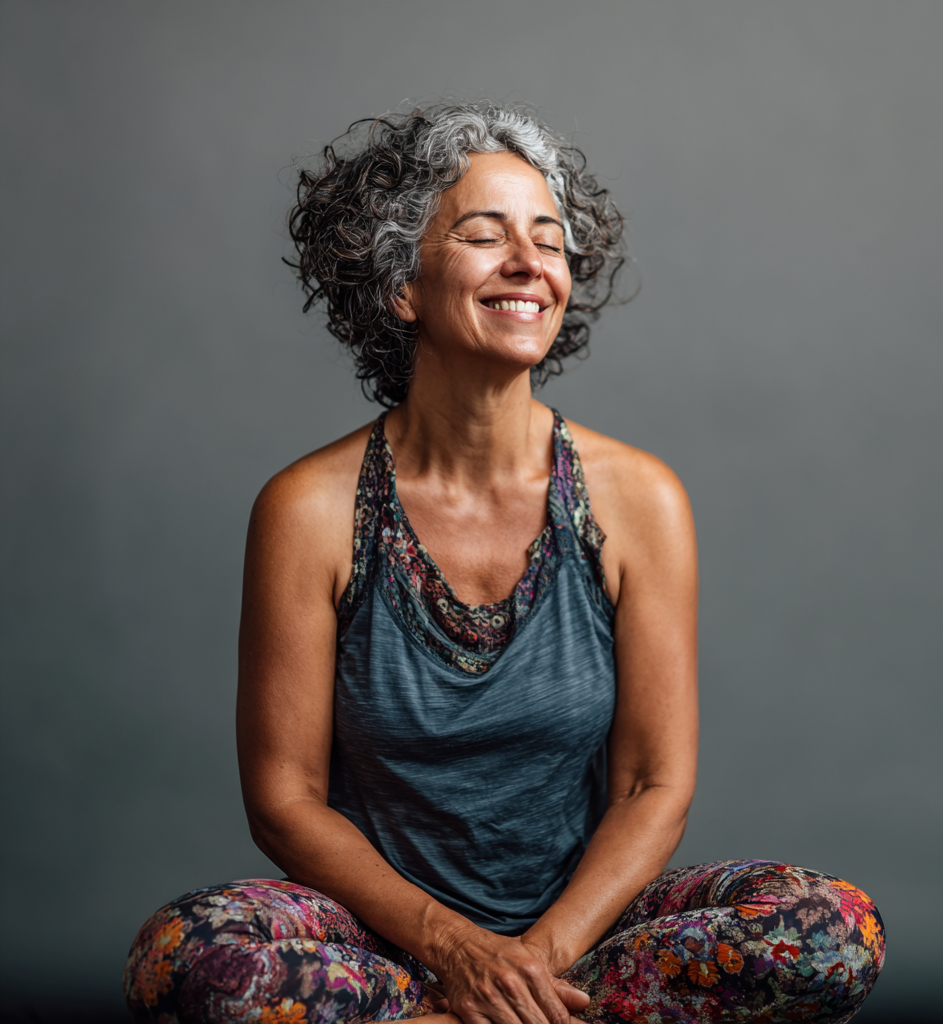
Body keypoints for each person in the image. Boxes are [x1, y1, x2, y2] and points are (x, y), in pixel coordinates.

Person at [124, 101, 884, 1024]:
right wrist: (454, 949)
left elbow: (653, 783)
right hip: (383, 947)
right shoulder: (308, 510)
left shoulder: (638, 498)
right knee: (188, 957)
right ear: (401, 284)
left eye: (551, 242)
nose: (531, 264)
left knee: (833, 929)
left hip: (587, 941)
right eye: (486, 238)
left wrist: (529, 960)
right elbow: (286, 799)